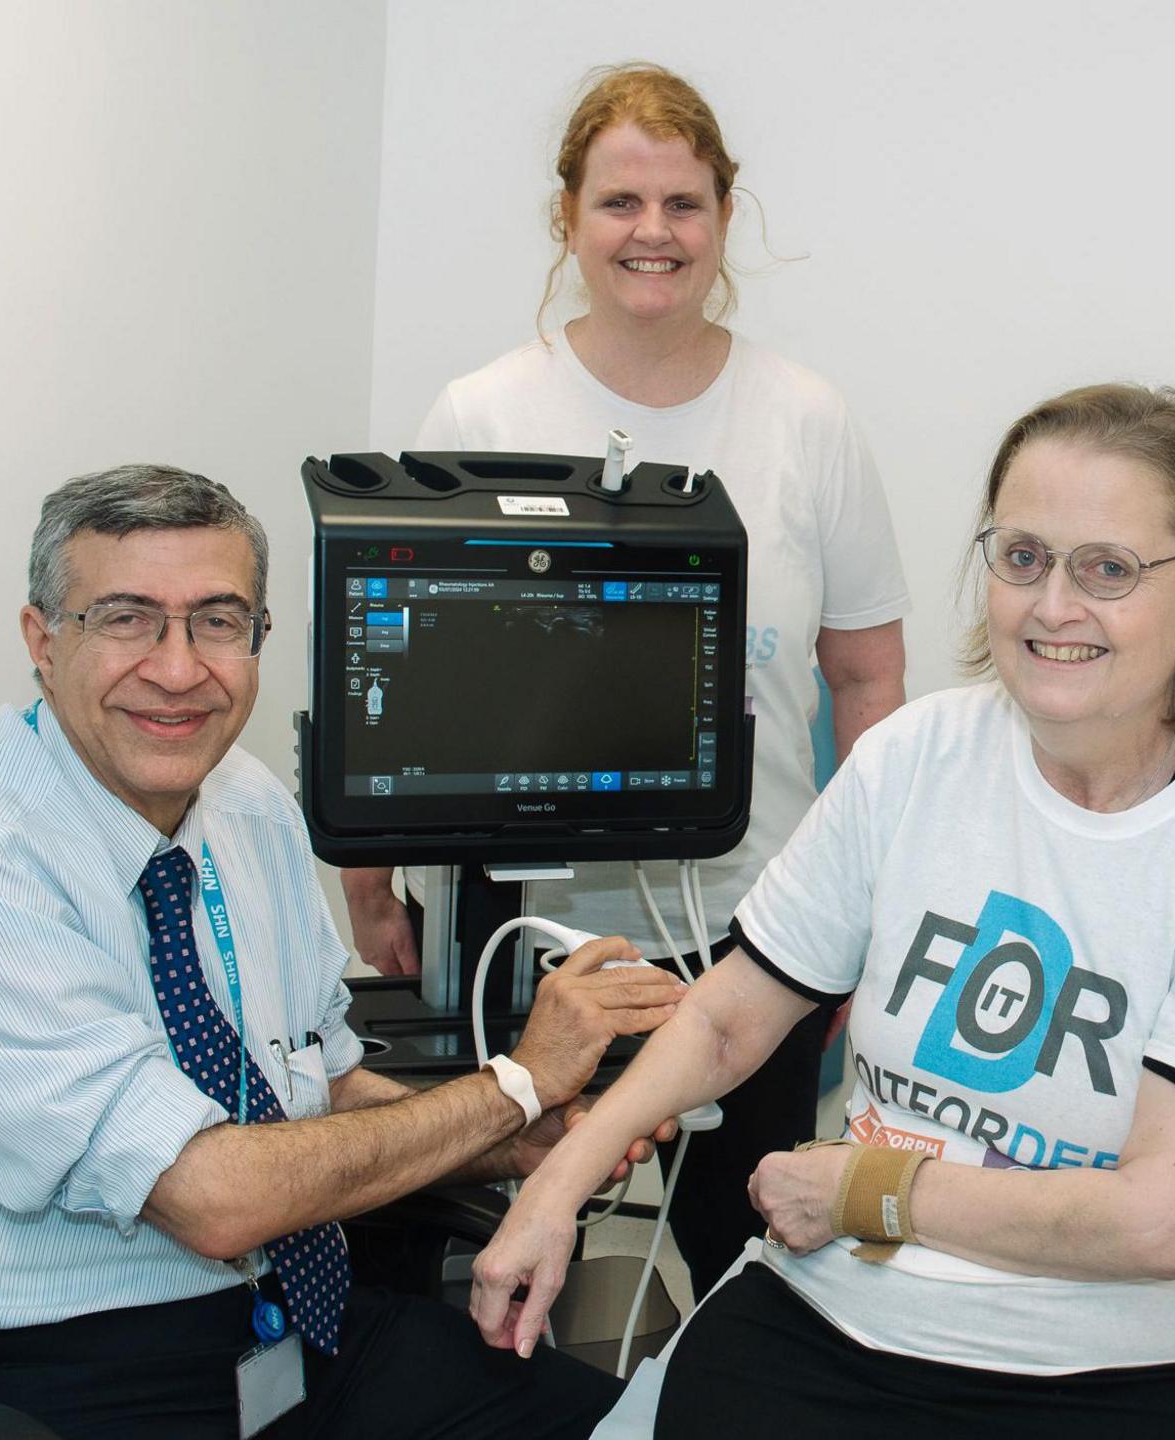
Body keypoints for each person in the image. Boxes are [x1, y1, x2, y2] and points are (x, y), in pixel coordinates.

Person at [470, 384, 1175, 1437]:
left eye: (1107, 569)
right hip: (857, 1314)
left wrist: (865, 1191)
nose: (1052, 605)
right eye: (1021, 557)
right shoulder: (916, 759)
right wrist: (554, 1187)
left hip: (1147, 1356)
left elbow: (1161, 1221)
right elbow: (725, 1013)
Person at [0, 465, 683, 1439]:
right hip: (42, 1365)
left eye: (217, 622)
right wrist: (512, 1083)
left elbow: (323, 1090)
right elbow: (209, 1200)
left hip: (284, 1320)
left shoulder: (245, 804)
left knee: (644, 1426)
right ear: (44, 641)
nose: (177, 670)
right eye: (126, 619)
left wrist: (516, 1143)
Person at [340, 62, 910, 1295]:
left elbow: (867, 679)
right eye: (619, 203)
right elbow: (392, 658)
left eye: (682, 205)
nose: (652, 234)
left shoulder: (804, 421)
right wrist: (369, 889)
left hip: (752, 928)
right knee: (495, 1231)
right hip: (516, 929)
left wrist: (873, 918)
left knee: (737, 1252)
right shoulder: (485, 411)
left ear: (721, 217)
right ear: (568, 219)